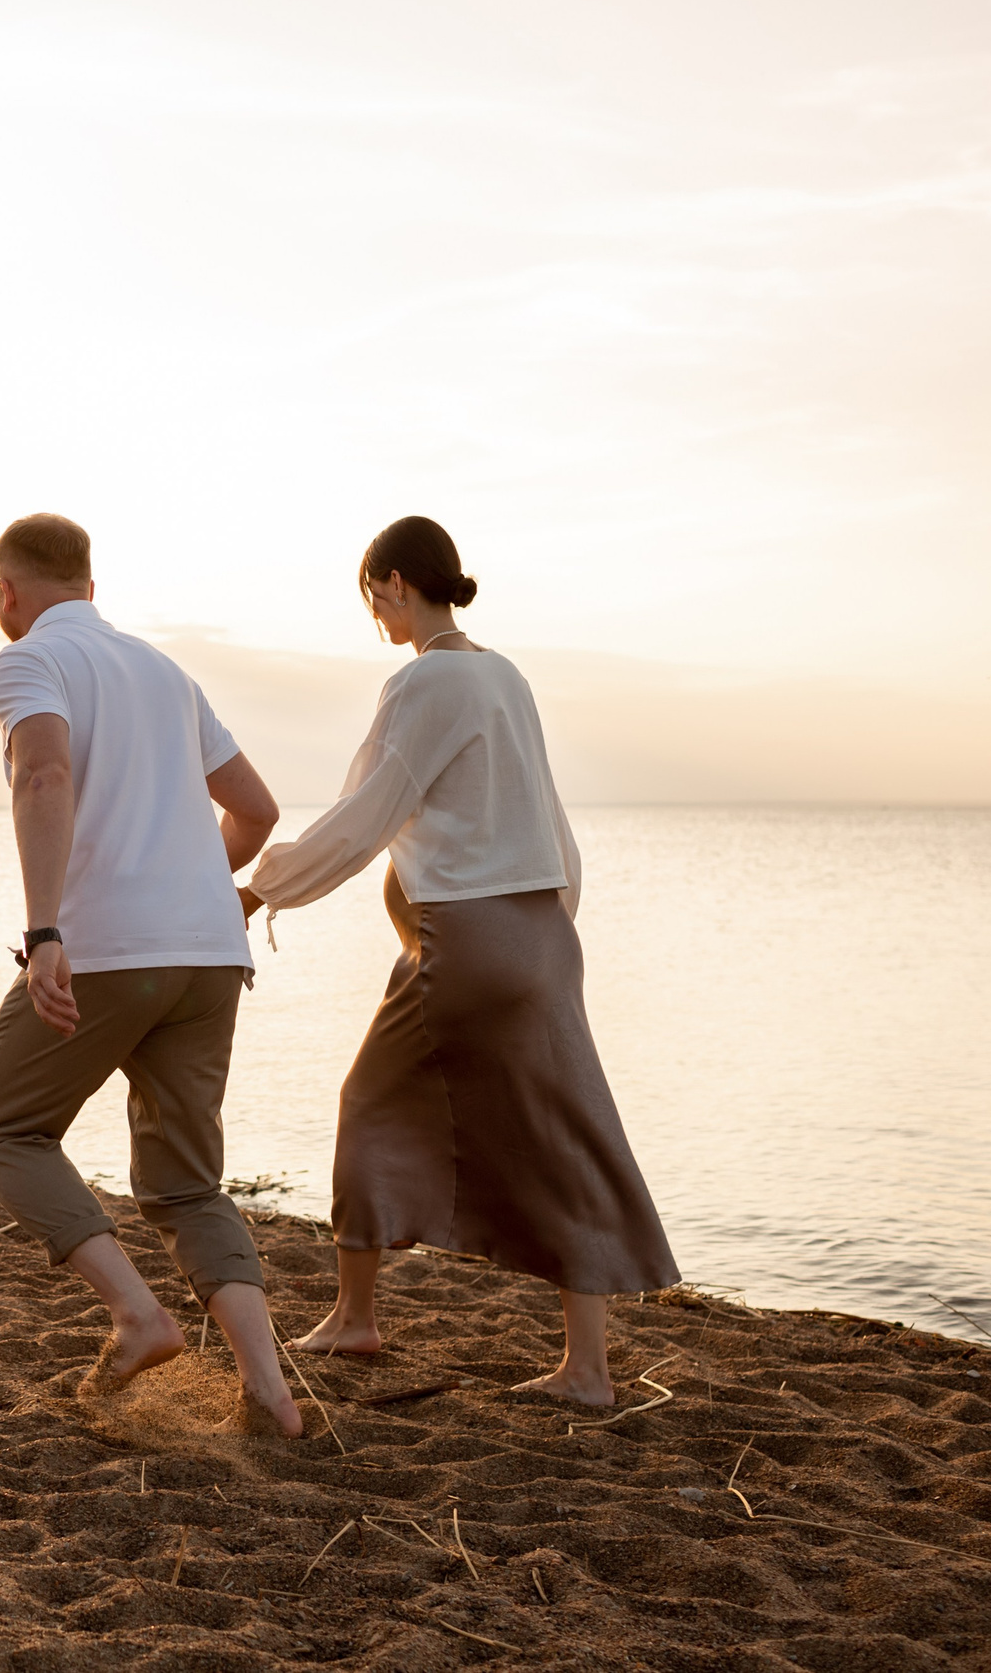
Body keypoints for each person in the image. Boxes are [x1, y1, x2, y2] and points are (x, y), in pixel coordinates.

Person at [239, 515, 677, 1406]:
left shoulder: (424, 683)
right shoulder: (505, 674)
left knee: (367, 1097)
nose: (375, 618)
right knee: (564, 1135)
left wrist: (257, 891)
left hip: (465, 946)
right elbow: (547, 815)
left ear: (397, 581)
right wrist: (551, 932)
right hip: (546, 938)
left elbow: (364, 816)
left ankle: (356, 1318)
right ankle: (587, 1370)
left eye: (373, 598)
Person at [0, 513, 305, 1437]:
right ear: (92, 585)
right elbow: (258, 811)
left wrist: (43, 934)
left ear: (7, 592)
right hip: (209, 955)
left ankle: (137, 1315)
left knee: (2, 1127)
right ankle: (268, 1391)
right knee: (190, 1183)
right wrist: (198, 885)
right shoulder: (166, 671)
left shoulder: (28, 658)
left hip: (110, 947)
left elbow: (43, 778)